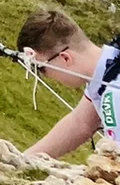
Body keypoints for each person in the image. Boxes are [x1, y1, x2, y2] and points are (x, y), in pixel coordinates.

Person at [18, 8, 120, 157]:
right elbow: (80, 123)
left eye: (42, 68)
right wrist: (22, 160)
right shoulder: (108, 68)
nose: (44, 76)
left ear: (66, 58)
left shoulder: (113, 92)